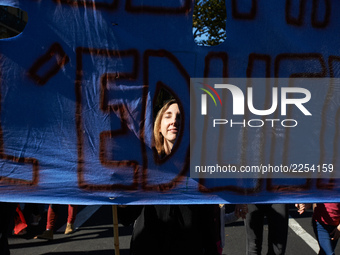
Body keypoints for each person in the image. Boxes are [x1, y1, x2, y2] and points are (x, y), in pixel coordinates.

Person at [119, 99, 220, 255]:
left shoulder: (200, 169)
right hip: (148, 247)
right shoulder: (145, 167)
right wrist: (121, 197)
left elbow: (206, 222)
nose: (174, 121)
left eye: (180, 117)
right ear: (159, 126)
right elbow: (126, 218)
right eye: (168, 116)